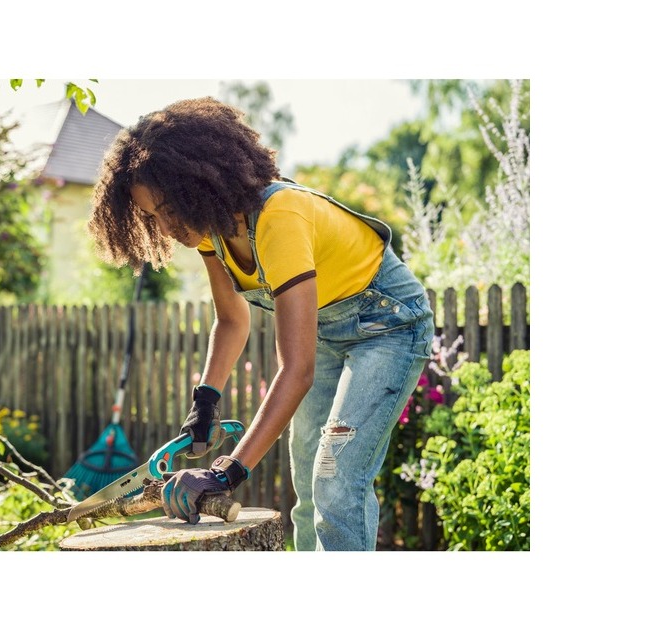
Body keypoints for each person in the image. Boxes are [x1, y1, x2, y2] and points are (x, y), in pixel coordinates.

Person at [87, 97, 433, 551]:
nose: (165, 226)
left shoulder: (279, 218)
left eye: (168, 208)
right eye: (152, 216)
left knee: (334, 478)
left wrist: (225, 472)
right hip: (331, 333)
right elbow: (231, 321)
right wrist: (204, 404)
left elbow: (297, 369)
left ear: (197, 185)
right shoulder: (210, 232)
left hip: (389, 326)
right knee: (308, 487)